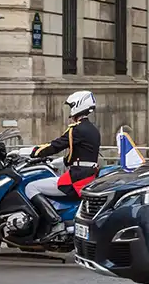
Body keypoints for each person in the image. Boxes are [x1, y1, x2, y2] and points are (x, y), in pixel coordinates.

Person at [24, 91, 102, 241]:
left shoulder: (76, 129)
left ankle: (55, 222)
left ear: (78, 106)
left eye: (71, 106)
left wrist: (30, 152)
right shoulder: (92, 129)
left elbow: (54, 146)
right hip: (88, 173)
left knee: (31, 187)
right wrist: (62, 161)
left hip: (77, 177)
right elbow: (81, 153)